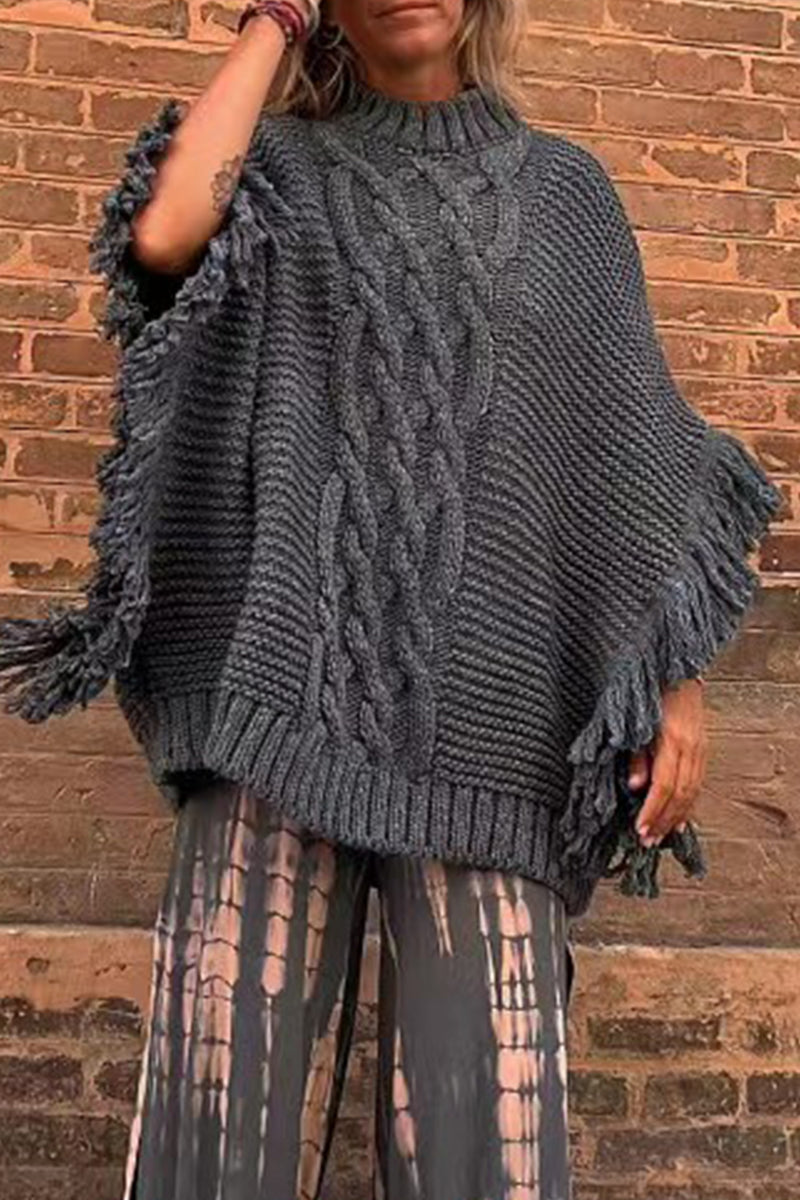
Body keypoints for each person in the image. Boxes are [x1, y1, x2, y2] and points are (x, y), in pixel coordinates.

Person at [0, 1, 782, 1198]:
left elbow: (621, 459)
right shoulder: (275, 170)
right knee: (215, 1143)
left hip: (494, 737)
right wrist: (271, 22)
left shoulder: (563, 196)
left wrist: (666, 682)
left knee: (489, 1157)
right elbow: (161, 236)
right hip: (279, 710)